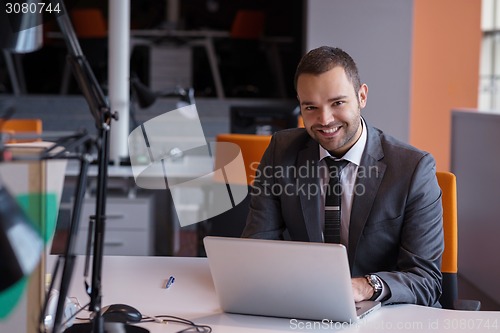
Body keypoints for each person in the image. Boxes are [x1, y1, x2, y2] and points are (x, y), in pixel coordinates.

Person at [242, 46, 444, 307]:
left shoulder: (413, 169)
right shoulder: (282, 151)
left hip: (386, 311)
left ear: (362, 96)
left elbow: (426, 280)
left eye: (337, 103)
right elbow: (256, 250)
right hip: (304, 305)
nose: (325, 120)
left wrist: (365, 286)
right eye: (311, 107)